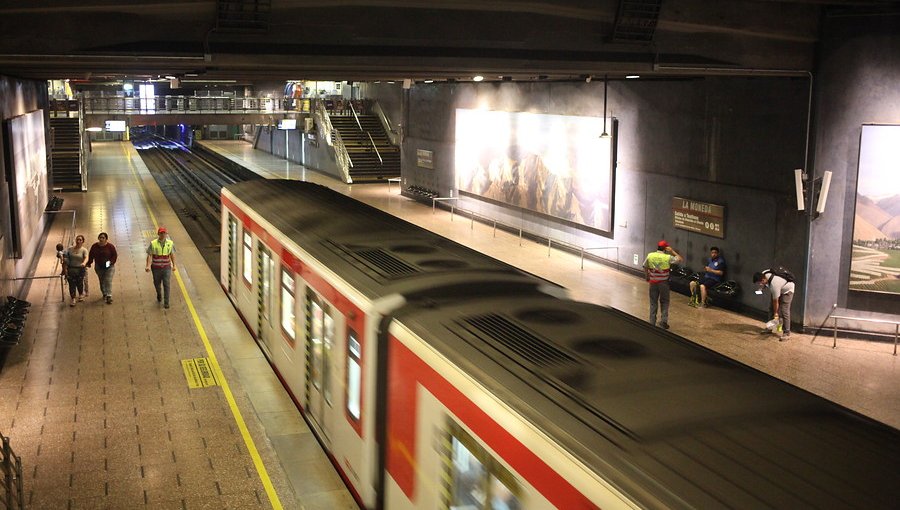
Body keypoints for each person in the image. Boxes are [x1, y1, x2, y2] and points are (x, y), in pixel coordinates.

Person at [643, 240, 682, 329]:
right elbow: (680, 259)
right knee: (665, 302)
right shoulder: (667, 257)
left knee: (653, 302)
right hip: (663, 283)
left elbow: (645, 266)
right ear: (665, 248)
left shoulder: (650, 255)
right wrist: (672, 251)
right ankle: (663, 321)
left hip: (653, 282)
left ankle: (652, 322)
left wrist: (647, 276)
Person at [753, 269, 795, 340]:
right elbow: (766, 284)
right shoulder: (764, 273)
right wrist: (761, 289)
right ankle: (770, 328)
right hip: (779, 288)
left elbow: (776, 301)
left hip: (787, 290)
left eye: (760, 283)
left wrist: (776, 313)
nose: (760, 284)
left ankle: (787, 333)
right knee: (771, 308)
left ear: (763, 279)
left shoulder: (774, 285)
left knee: (784, 311)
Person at [145, 227, 176, 309]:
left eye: (164, 233)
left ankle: (166, 302)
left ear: (166, 234)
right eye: (161, 233)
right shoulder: (153, 243)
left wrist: (174, 265)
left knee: (167, 284)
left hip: (167, 268)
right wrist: (148, 265)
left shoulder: (170, 243)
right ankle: (159, 294)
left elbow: (172, 255)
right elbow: (149, 255)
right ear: (158, 234)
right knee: (157, 283)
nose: (163, 235)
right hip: (156, 268)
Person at [86, 232, 118, 304]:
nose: (101, 239)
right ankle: (104, 293)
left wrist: (110, 262)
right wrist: (89, 263)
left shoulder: (110, 247)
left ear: (106, 239)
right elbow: (91, 255)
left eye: (103, 238)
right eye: (100, 237)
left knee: (108, 280)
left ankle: (109, 296)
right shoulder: (94, 246)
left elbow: (114, 256)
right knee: (102, 280)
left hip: (109, 267)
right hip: (99, 266)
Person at [64, 235, 89, 307]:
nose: (78, 241)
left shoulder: (84, 250)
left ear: (83, 241)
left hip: (80, 269)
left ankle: (80, 294)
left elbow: (86, 257)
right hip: (71, 269)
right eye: (77, 239)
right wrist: (65, 269)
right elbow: (65, 258)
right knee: (71, 284)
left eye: (80, 240)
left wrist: (84, 263)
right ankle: (73, 298)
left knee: (79, 283)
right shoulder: (70, 249)